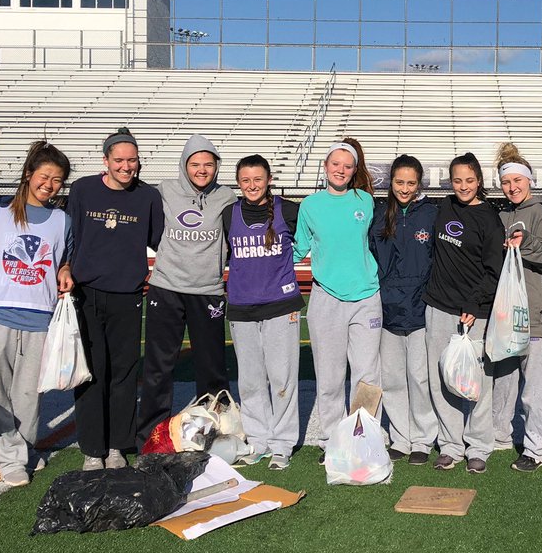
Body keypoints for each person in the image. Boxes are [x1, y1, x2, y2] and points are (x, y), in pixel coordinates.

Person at [0, 141, 73, 486]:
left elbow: (66, 258)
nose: (50, 185)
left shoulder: (62, 220)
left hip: (39, 317)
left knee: (29, 394)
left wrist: (66, 268)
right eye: (44, 176)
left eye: (57, 180)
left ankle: (23, 448)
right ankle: (10, 456)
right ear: (28, 174)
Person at [66, 127, 163, 470]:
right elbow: (70, 236)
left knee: (123, 373)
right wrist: (65, 267)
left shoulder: (148, 196)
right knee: (91, 372)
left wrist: (157, 272)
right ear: (105, 160)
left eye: (132, 160)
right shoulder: (82, 189)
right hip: (86, 293)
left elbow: (161, 241)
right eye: (119, 160)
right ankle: (93, 448)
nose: (126, 166)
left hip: (128, 294)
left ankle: (117, 446)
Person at [137, 135, 236, 448]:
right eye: (195, 164)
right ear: (184, 165)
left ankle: (213, 432)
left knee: (211, 368)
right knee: (158, 367)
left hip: (208, 291)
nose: (202, 170)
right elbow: (152, 232)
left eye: (208, 164)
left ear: (216, 167)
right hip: (166, 288)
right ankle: (152, 435)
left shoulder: (226, 197)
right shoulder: (165, 191)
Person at [293, 138, 382, 460]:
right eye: (335, 164)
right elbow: (298, 248)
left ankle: (364, 436)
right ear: (325, 166)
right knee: (329, 378)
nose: (340, 170)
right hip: (326, 298)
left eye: (347, 166)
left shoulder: (366, 201)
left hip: (366, 297)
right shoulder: (310, 205)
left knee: (367, 376)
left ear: (355, 170)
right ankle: (332, 439)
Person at [423, 153, 504, 473]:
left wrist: (473, 303)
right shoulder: (444, 207)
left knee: (477, 381)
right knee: (441, 378)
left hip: (474, 313)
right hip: (438, 306)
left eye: (469, 180)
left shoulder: (489, 218)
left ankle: (478, 446)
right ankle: (450, 445)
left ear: (479, 181)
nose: (464, 186)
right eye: (457, 180)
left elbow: (494, 270)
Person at [222, 155, 302, 471]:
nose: (252, 185)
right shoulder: (229, 214)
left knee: (282, 378)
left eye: (258, 179)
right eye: (245, 180)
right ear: (238, 183)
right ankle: (258, 440)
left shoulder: (290, 210)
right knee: (251, 380)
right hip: (241, 308)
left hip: (281, 306)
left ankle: (282, 444)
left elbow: (309, 242)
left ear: (268, 180)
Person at [492, 143, 542, 472]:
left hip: (536, 310)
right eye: (506, 182)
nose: (512, 187)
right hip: (507, 311)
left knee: (536, 386)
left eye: (517, 180)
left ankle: (538, 447)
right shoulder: (502, 214)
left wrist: (526, 242)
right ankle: (499, 436)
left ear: (529, 180)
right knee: (502, 381)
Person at [369, 154, 439, 465]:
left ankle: (422, 439)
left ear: (419, 183)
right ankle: (401, 437)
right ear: (391, 182)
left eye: (411, 183)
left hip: (421, 308)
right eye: (400, 182)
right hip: (387, 308)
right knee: (393, 379)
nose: (405, 188)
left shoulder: (432, 214)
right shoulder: (378, 213)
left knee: (419, 378)